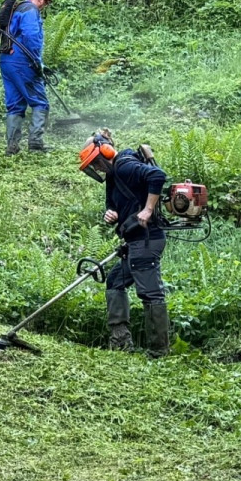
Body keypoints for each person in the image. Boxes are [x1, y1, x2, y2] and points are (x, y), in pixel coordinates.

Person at [80, 129, 170, 357]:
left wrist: (148, 209)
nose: (97, 168)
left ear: (106, 151)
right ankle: (120, 342)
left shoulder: (125, 166)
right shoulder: (113, 175)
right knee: (114, 281)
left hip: (146, 239)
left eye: (97, 162)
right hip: (133, 241)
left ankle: (158, 352)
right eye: (94, 165)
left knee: (150, 293)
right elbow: (113, 203)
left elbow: (157, 175)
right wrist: (110, 213)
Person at [0, 0, 52, 154]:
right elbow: (31, 37)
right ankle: (36, 143)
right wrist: (37, 62)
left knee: (15, 105)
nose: (44, 6)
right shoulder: (31, 10)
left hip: (7, 61)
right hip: (22, 62)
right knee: (40, 102)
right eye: (45, 2)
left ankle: (12, 146)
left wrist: (41, 64)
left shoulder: (17, 9)